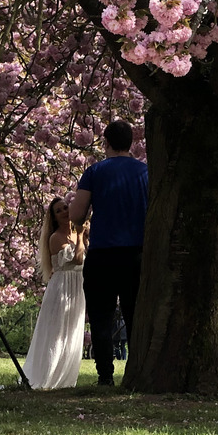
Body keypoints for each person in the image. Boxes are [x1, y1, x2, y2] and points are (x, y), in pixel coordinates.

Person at [70, 119, 148, 387]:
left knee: (101, 316)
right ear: (131, 143)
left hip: (103, 253)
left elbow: (77, 214)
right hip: (136, 254)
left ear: (106, 142)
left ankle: (105, 375)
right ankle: (136, 373)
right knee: (135, 315)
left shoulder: (94, 172)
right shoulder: (145, 173)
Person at [21, 196, 88, 390]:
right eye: (59, 211)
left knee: (72, 331)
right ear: (54, 217)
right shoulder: (56, 237)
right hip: (62, 287)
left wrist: (83, 236)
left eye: (65, 208)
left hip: (77, 286)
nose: (64, 213)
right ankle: (48, 375)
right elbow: (76, 260)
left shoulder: (77, 233)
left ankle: (66, 378)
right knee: (57, 331)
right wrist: (82, 236)